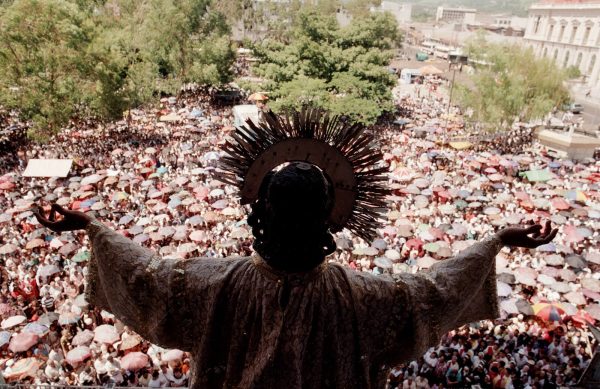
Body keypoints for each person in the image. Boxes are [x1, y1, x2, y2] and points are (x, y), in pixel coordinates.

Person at [33, 111, 558, 389]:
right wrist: (496, 241)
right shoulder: (369, 299)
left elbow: (145, 278)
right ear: (334, 217)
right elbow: (432, 293)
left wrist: (92, 227)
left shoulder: (209, 283)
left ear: (258, 210)